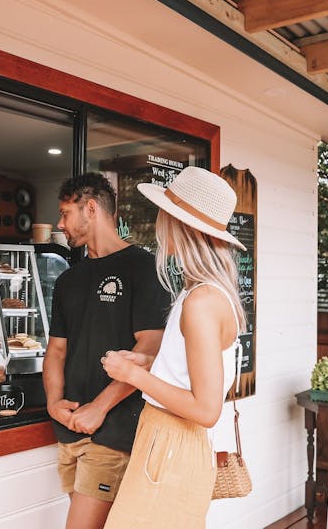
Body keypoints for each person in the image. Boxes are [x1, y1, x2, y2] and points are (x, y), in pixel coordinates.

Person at [100, 166, 247, 529]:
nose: (159, 221)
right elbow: (194, 371)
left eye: (165, 213)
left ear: (181, 226)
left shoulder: (200, 300)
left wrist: (132, 374)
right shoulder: (205, 293)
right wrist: (151, 361)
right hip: (172, 442)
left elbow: (205, 408)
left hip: (172, 443)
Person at [44, 172, 171, 529]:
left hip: (113, 430)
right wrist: (54, 402)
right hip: (70, 429)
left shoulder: (142, 267)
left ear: (90, 209)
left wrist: (99, 409)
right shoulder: (69, 278)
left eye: (65, 213)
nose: (60, 223)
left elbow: (151, 346)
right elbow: (55, 351)